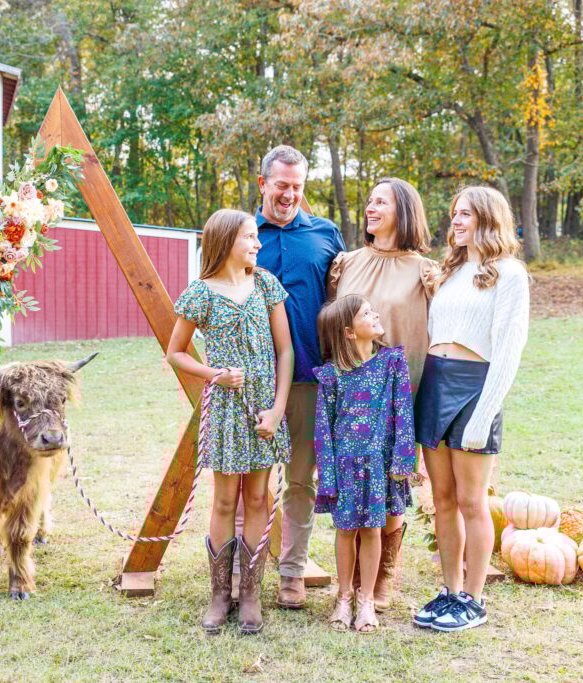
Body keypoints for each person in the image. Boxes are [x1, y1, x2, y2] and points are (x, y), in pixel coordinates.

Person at [166, 208, 293, 635]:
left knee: (258, 499)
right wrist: (214, 374)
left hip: (263, 406)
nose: (258, 244)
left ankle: (251, 592)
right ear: (225, 242)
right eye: (250, 237)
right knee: (224, 501)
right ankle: (220, 593)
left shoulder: (266, 285)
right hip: (225, 408)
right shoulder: (200, 292)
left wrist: (277, 410)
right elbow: (176, 352)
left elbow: (285, 351)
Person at [412, 186, 530, 633]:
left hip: (474, 389)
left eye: (465, 214)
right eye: (454, 213)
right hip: (435, 384)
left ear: (488, 218)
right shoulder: (453, 270)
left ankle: (474, 600)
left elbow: (509, 351)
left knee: (471, 501)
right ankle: (450, 591)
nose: (456, 221)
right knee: (442, 501)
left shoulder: (510, 273)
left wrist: (484, 414)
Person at [326, 178, 437, 611]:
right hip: (353, 393)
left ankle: (384, 574)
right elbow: (333, 325)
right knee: (354, 482)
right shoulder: (346, 263)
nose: (371, 208)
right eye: (369, 201)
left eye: (381, 202)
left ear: (404, 211)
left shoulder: (423, 270)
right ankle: (351, 579)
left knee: (392, 481)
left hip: (401, 391)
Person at [250, 145, 346, 609]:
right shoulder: (241, 235)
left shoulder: (326, 235)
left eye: (297, 187)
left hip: (309, 374)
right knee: (249, 478)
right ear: (263, 183)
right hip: (251, 380)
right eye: (281, 185)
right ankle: (241, 570)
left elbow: (345, 299)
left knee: (301, 480)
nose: (289, 195)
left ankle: (291, 571)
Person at [312, 295, 417, 633]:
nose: (375, 315)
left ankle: (367, 598)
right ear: (348, 331)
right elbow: (323, 429)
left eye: (373, 309)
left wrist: (403, 459)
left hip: (380, 464)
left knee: (373, 529)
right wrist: (327, 474)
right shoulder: (331, 375)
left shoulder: (392, 363)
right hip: (345, 465)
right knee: (345, 531)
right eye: (366, 313)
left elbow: (404, 411)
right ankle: (344, 596)